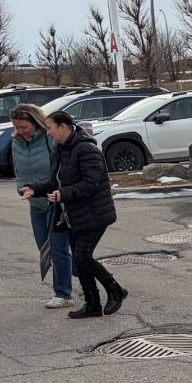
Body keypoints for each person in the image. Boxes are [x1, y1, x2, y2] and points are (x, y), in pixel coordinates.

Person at [44, 111, 127, 319]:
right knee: (81, 261)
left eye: (50, 128)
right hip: (74, 215)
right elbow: (55, 182)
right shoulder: (61, 150)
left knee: (82, 256)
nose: (48, 133)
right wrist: (32, 189)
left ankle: (116, 289)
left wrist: (63, 194)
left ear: (63, 126)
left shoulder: (87, 149)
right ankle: (92, 304)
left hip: (95, 213)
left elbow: (91, 183)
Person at [13, 105, 75, 308]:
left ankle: (63, 293)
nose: (21, 131)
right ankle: (90, 271)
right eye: (17, 127)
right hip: (35, 202)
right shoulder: (16, 142)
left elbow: (59, 169)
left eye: (24, 127)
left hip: (54, 201)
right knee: (45, 248)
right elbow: (18, 170)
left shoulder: (49, 139)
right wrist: (22, 188)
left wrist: (59, 192)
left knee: (57, 249)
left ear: (36, 123)